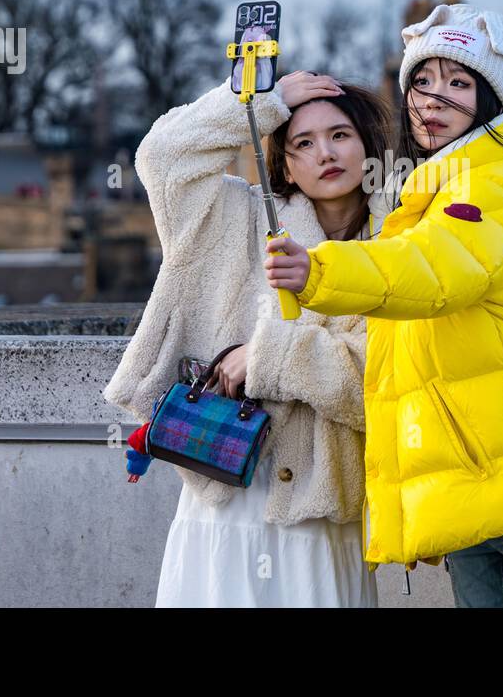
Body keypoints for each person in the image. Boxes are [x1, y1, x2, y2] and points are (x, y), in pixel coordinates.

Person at [265, 3, 503, 608]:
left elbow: (436, 272)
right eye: (422, 81)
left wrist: (318, 271)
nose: (433, 99)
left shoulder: (494, 184)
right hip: (478, 488)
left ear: (490, 101)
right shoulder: (429, 194)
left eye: (458, 83)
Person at [103, 69, 394, 607]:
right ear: (283, 161)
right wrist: (262, 101)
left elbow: (383, 382)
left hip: (322, 512)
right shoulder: (235, 215)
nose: (324, 153)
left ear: (369, 146)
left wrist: (265, 358)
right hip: (225, 495)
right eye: (303, 142)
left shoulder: (400, 245)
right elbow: (162, 159)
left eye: (340, 135)